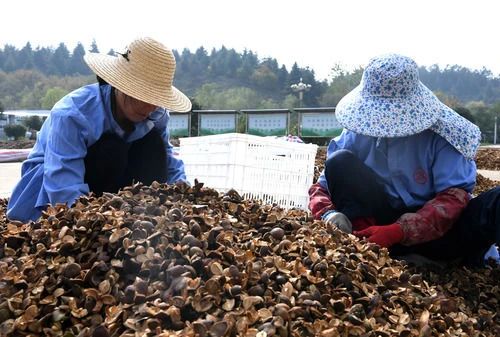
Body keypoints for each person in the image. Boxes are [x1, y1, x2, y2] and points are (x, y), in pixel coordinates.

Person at [309, 53, 500, 265]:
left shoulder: (443, 136)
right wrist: (328, 214)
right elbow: (321, 188)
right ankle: (371, 248)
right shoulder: (357, 133)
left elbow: (454, 199)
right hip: (375, 230)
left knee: (496, 202)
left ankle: (437, 260)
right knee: (339, 161)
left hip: (442, 237)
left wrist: (398, 231)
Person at [7, 37, 192, 223]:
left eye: (156, 98)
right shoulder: (71, 114)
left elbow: (167, 158)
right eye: (143, 96)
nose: (150, 106)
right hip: (56, 182)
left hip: (117, 186)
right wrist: (92, 223)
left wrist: (184, 193)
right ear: (121, 86)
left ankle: (139, 218)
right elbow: (62, 181)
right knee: (111, 149)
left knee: (152, 143)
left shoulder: (156, 113)